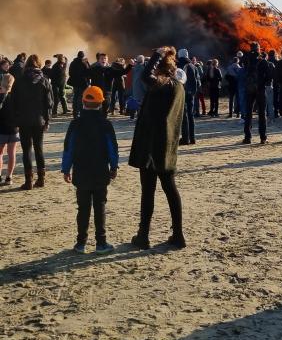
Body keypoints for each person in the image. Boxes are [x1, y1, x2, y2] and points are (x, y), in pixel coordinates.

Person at [129, 47, 186, 250]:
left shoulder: (164, 85)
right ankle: (178, 235)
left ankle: (143, 235)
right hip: (167, 146)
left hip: (151, 147)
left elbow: (146, 76)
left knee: (148, 192)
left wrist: (157, 55)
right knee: (170, 190)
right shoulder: (178, 87)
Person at [61, 86, 118, 254]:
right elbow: (112, 148)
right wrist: (113, 167)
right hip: (100, 171)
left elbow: (68, 148)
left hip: (81, 172)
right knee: (100, 207)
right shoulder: (105, 124)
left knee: (83, 208)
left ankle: (81, 243)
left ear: (83, 102)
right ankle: (101, 243)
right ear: (101, 103)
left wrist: (66, 169)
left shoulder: (75, 124)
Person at [12, 54, 53, 190]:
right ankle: (41, 179)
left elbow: (14, 103)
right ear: (39, 64)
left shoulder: (19, 80)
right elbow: (49, 103)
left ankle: (28, 181)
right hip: (39, 120)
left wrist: (16, 121)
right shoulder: (44, 80)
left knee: (26, 150)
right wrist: (47, 120)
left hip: (24, 120)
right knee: (39, 148)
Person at [241, 42, 270, 144]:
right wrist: (263, 82)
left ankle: (247, 137)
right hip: (260, 89)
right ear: (258, 49)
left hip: (249, 88)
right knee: (262, 113)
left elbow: (244, 71)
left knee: (248, 113)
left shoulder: (246, 59)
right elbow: (269, 75)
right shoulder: (263, 61)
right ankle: (263, 138)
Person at [89, 53, 132, 117]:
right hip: (96, 92)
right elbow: (86, 73)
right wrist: (85, 63)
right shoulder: (94, 68)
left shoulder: (110, 69)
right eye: (101, 58)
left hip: (107, 93)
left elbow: (123, 72)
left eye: (105, 58)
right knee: (96, 111)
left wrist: (130, 65)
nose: (103, 60)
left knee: (104, 110)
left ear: (107, 60)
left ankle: (104, 122)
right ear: (99, 60)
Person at [177, 48, 199, 145]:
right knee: (190, 115)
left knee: (184, 116)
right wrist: (193, 92)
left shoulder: (178, 65)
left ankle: (185, 138)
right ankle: (192, 138)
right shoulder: (193, 66)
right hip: (192, 94)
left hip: (182, 93)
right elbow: (198, 81)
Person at [0, 69, 18, 186]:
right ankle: (9, 177)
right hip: (13, 129)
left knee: (0, 154)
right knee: (12, 153)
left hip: (1, 128)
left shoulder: (1, 97)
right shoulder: (15, 98)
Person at [68, 51, 90, 118]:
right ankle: (80, 113)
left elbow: (70, 73)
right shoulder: (84, 63)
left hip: (75, 83)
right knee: (81, 98)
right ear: (83, 56)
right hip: (83, 83)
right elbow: (88, 72)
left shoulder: (72, 63)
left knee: (75, 97)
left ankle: (75, 113)